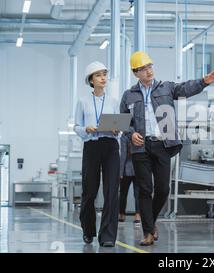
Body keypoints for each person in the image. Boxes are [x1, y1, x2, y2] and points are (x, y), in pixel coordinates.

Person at [120, 51, 214, 246]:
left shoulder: (166, 88)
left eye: (150, 66)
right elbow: (123, 121)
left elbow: (186, 88)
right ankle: (148, 232)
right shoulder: (129, 95)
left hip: (163, 144)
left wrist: (204, 81)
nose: (148, 71)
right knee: (145, 190)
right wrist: (131, 134)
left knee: (163, 189)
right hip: (140, 147)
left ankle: (151, 221)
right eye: (143, 69)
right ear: (135, 72)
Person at [74, 61, 120, 247]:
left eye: (104, 74)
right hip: (91, 146)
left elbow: (119, 124)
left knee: (111, 191)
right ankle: (88, 230)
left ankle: (108, 236)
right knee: (89, 191)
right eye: (98, 75)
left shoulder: (114, 101)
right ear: (91, 80)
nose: (103, 78)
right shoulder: (83, 101)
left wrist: (118, 130)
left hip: (110, 146)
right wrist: (87, 128)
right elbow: (76, 126)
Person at [119, 134, 141, 225]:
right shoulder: (141, 135)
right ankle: (138, 214)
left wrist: (120, 172)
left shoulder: (124, 136)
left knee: (123, 193)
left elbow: (123, 154)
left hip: (126, 169)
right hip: (139, 168)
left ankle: (122, 214)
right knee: (138, 193)